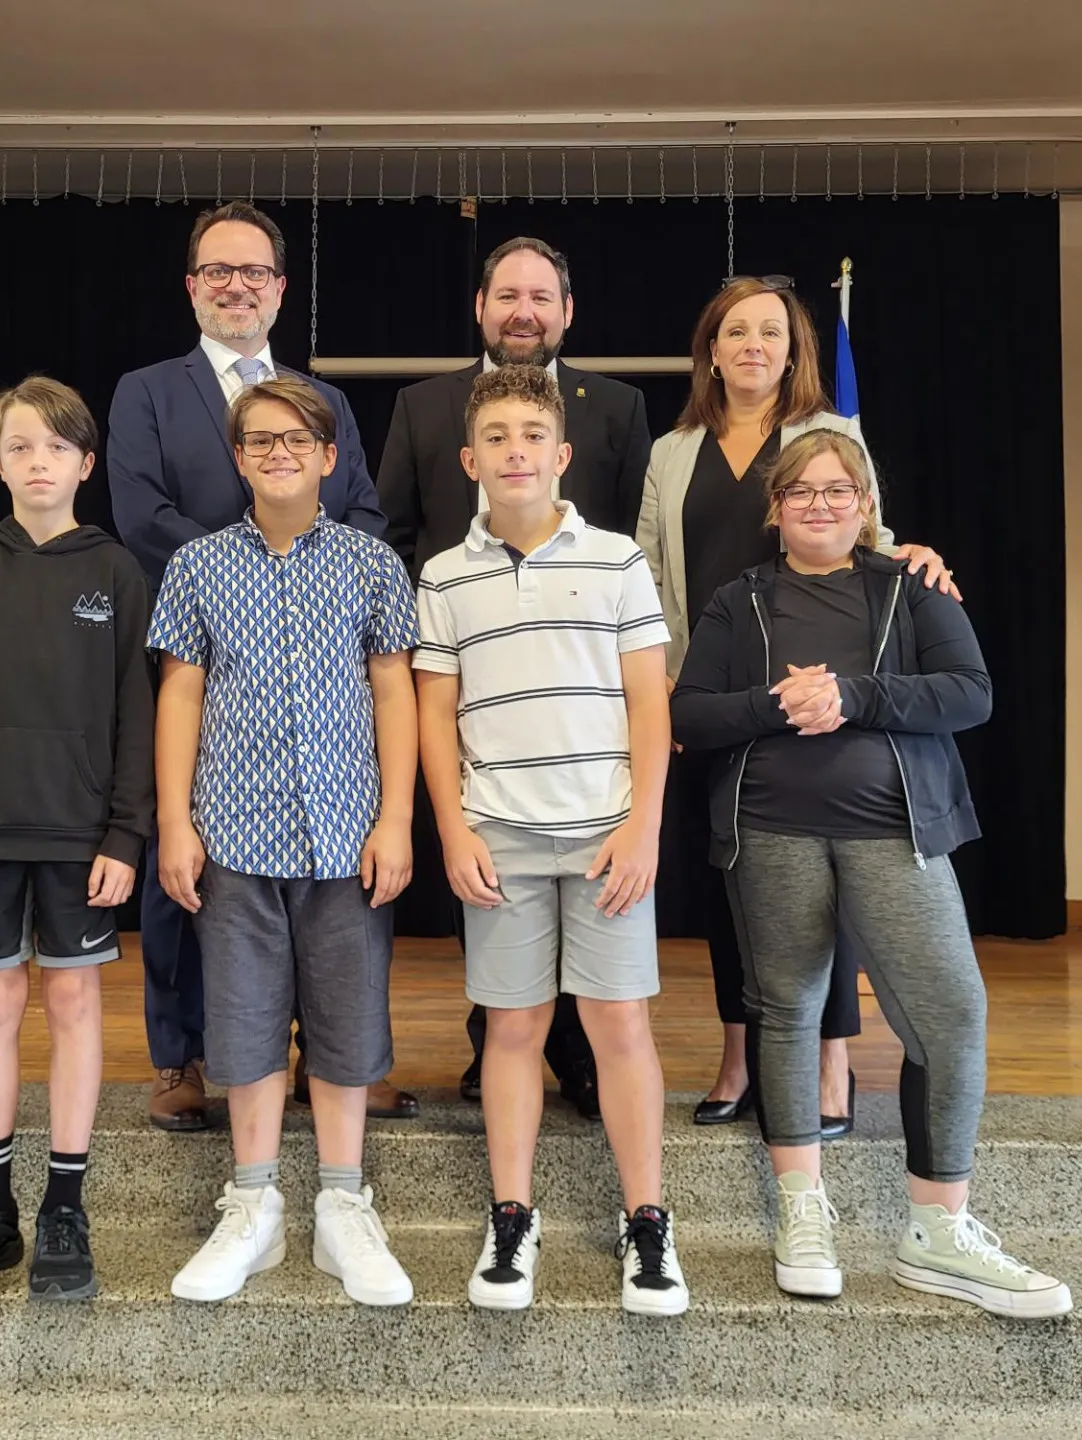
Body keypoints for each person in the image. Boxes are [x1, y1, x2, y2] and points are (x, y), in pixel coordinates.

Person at [670, 429, 1070, 1319]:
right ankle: (801, 1213)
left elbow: (970, 692)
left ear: (865, 505)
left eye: (837, 491)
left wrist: (853, 694)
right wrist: (779, 703)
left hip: (897, 835)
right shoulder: (739, 600)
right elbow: (690, 714)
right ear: (775, 510)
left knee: (951, 1014)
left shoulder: (911, 587)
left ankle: (937, 1232)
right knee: (788, 1010)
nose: (819, 505)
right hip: (769, 834)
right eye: (801, 492)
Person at [109, 200, 417, 1128]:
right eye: (218, 270)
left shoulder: (323, 400)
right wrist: (246, 566)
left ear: (280, 289)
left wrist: (303, 576)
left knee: (337, 872)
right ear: (191, 286)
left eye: (254, 272)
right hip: (196, 645)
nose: (236, 285)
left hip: (324, 662)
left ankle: (337, 1056)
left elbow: (363, 511)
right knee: (188, 857)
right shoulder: (146, 391)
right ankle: (183, 1055)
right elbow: (142, 517)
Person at [636, 274, 952, 1134]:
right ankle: (740, 1055)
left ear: (793, 350)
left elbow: (872, 538)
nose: (753, 346)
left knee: (826, 888)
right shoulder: (672, 451)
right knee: (729, 878)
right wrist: (664, 679)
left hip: (818, 695)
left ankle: (830, 1061)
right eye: (736, 331)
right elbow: (650, 574)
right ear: (711, 350)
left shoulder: (831, 433)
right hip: (714, 695)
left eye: (770, 332)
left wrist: (919, 555)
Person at [416, 364, 687, 1317]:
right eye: (495, 437)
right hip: (500, 837)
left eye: (532, 434)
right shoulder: (443, 577)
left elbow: (650, 704)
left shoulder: (616, 561)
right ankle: (511, 1217)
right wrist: (453, 830)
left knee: (619, 1026)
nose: (515, 451)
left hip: (608, 836)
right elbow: (434, 713)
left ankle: (647, 1220)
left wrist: (643, 828)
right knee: (514, 1028)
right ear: (469, 460)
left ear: (562, 453)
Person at [151, 376, 419, 1306]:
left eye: (297, 440)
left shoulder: (371, 565)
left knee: (347, 1019)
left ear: (329, 456)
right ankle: (253, 1203)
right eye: (261, 440)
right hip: (232, 833)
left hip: (349, 836)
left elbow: (395, 690)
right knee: (245, 1017)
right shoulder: (197, 566)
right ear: (238, 458)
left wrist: (395, 818)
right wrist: (176, 821)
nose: (279, 454)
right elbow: (181, 693)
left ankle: (343, 1203)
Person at [379, 235, 649, 1119]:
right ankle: (495, 1041)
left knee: (592, 910)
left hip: (583, 700)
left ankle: (577, 1057)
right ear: (481, 308)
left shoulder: (617, 408)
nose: (523, 312)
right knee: (489, 881)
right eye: (507, 296)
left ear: (567, 312)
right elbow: (392, 536)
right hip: (462, 667)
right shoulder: (423, 407)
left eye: (541, 297)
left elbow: (636, 537)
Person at [0, 376, 154, 1303]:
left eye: (56, 446)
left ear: (86, 462)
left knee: (76, 1004)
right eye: (20, 446)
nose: (37, 461)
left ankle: (64, 1208)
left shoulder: (117, 571)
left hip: (80, 833)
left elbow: (137, 716)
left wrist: (125, 834)